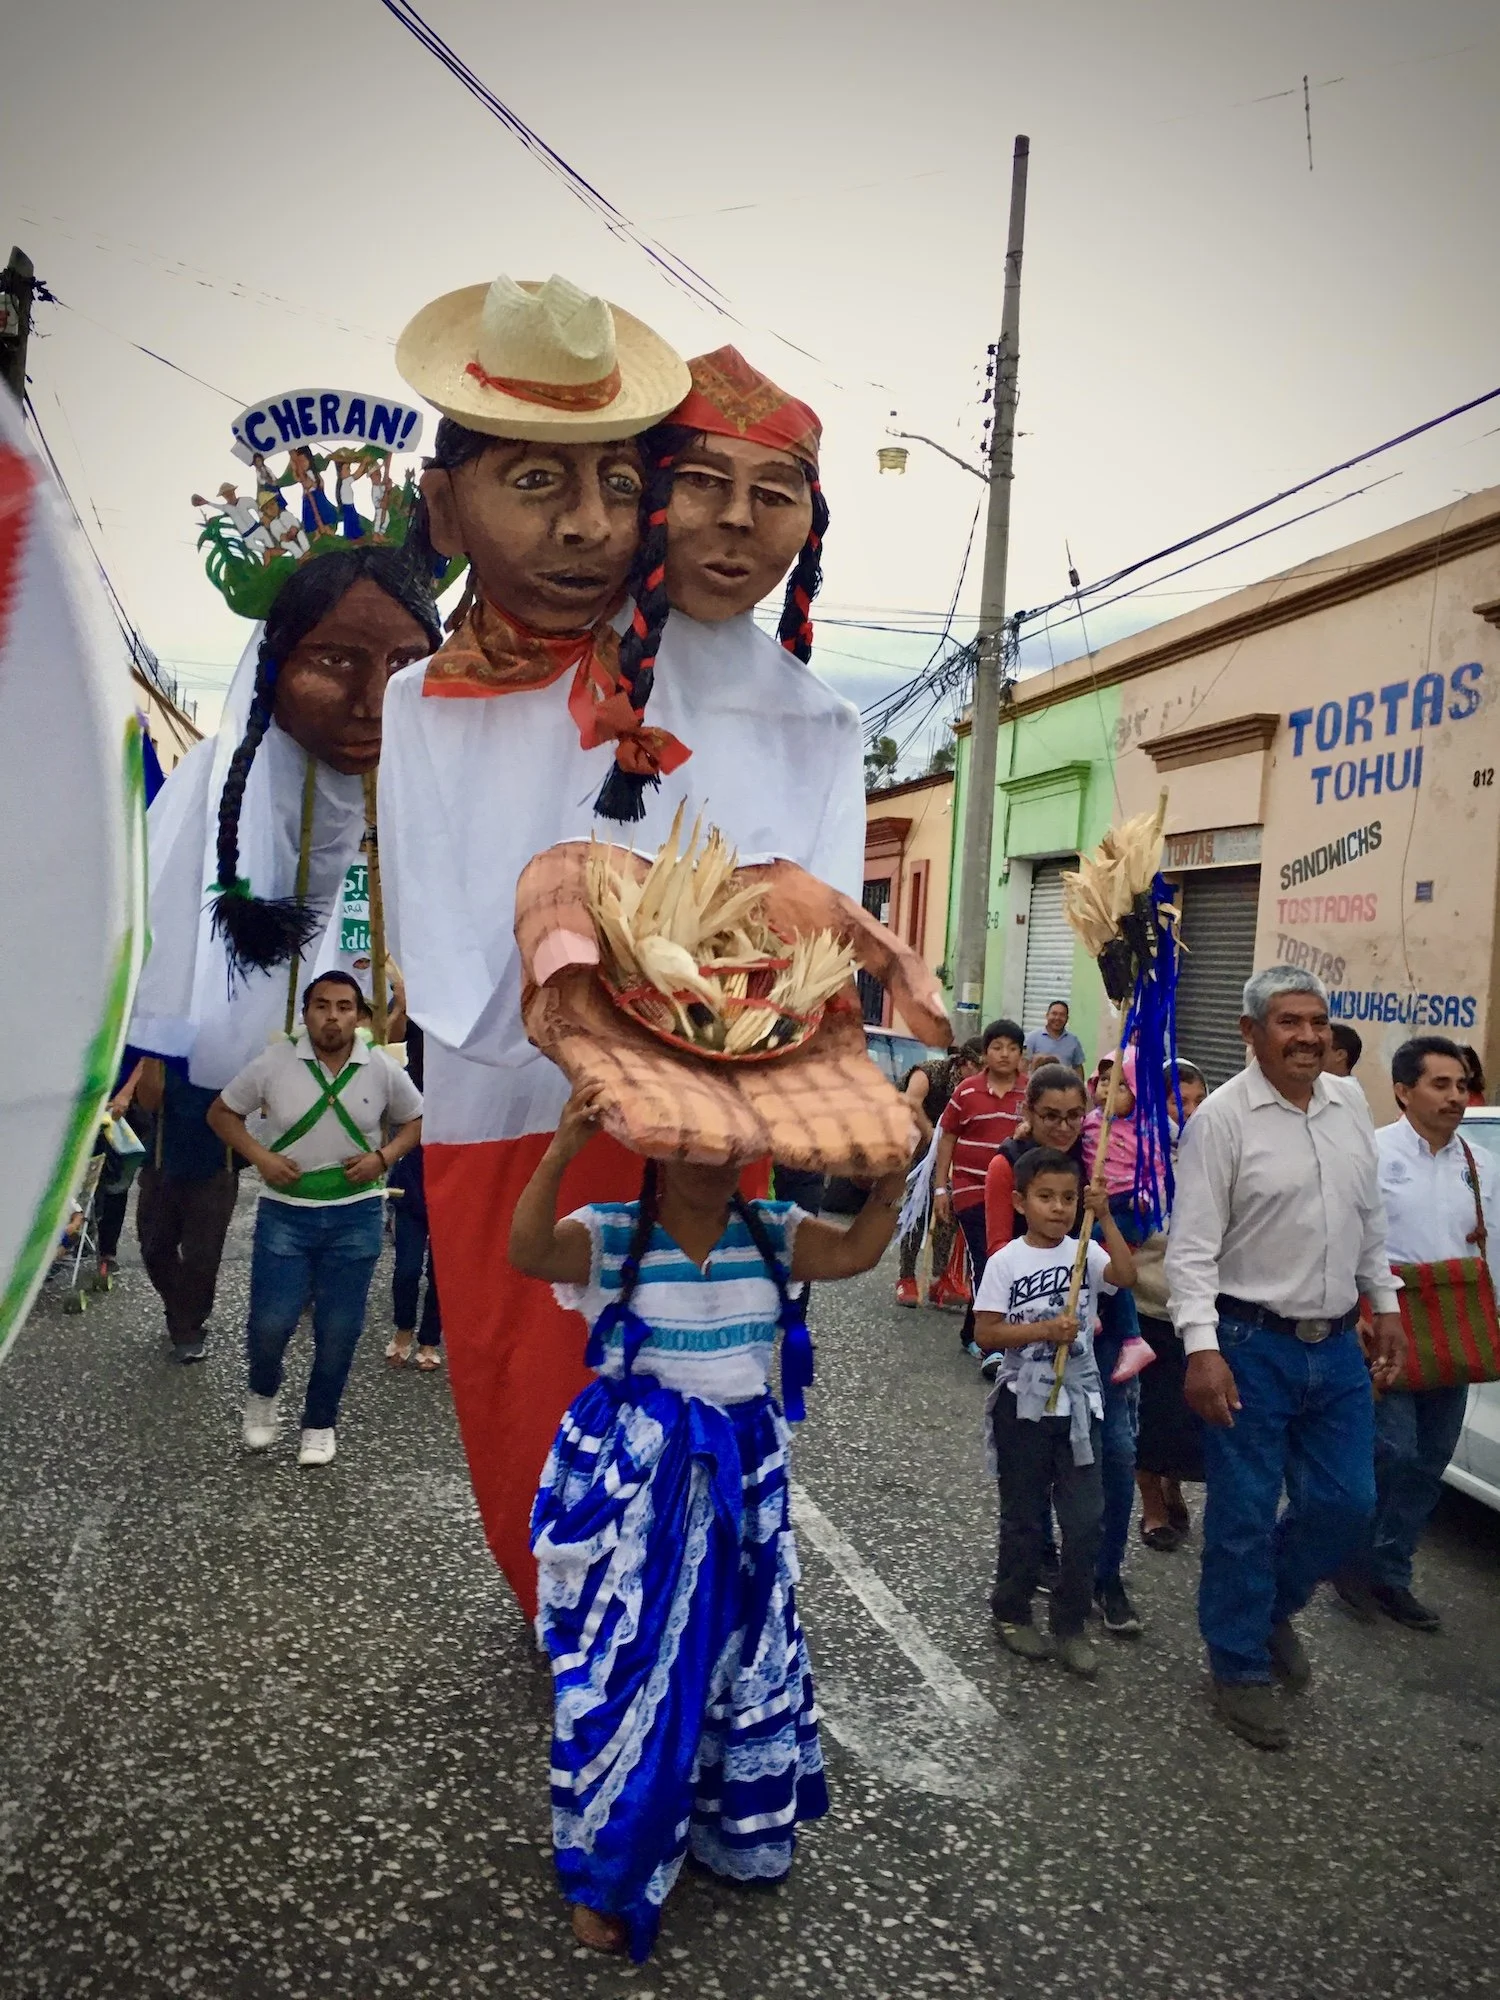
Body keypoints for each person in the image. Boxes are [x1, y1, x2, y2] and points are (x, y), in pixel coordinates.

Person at [379, 279, 867, 1616]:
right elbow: (444, 950)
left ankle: (672, 1625)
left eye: (610, 484)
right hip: (510, 1106)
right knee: (518, 1372)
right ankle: (564, 1615)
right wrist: (592, 991)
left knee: (691, 1383)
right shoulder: (431, 696)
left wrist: (727, 1025)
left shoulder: (806, 720)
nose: (584, 527)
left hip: (710, 1107)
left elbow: (813, 924)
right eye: (539, 482)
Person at [510, 1082, 910, 1960]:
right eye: (697, 1147)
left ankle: (727, 1832)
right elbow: (529, 1250)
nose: (717, 1164)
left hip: (747, 1481)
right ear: (659, 1147)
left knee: (734, 1659)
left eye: (733, 1148)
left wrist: (891, 1179)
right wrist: (562, 1147)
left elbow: (851, 1257)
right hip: (642, 1493)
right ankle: (610, 1868)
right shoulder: (613, 1232)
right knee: (635, 1676)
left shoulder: (771, 1230)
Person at [1165, 968, 1403, 1750]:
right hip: (1247, 1346)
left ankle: (1266, 1611)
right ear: (1250, 1032)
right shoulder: (1222, 1122)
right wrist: (1201, 1352)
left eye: (1318, 1021)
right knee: (1240, 1515)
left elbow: (1367, 1215)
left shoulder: (1350, 1103)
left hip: (1335, 1346)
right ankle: (1237, 1666)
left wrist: (1386, 1302)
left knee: (1347, 1504)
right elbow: (1192, 1253)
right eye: (1289, 1022)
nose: (1308, 1036)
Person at [130, 544, 441, 1090]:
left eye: (404, 665)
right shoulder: (214, 784)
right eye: (335, 661)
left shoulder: (435, 789)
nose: (372, 703)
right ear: (272, 668)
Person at [207, 970, 423, 1465]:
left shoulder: (380, 1067)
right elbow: (221, 1113)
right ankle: (262, 1394)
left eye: (344, 1007)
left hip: (357, 1215)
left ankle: (320, 1421)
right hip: (286, 1214)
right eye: (322, 1005)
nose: (332, 1016)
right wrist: (260, 1158)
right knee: (270, 1321)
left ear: (359, 1016)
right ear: (306, 1014)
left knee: (339, 1328)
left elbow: (417, 1119)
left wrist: (383, 1158)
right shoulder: (275, 1062)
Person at [1335, 1036, 1492, 1632]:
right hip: (1390, 1325)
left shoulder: (1479, 1167)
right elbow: (1348, 1243)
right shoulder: (1371, 1156)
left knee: (1430, 1460)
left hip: (1454, 1332)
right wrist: (1356, 1319)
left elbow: (1489, 1251)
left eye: (1460, 1085)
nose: (1455, 1097)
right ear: (1403, 1091)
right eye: (1440, 1084)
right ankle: (1350, 1561)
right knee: (1390, 1451)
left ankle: (1391, 1575)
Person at [975, 1149, 1137, 1679]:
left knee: (1086, 1519)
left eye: (1069, 1198)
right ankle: (1012, 1610)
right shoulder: (1006, 1263)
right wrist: (1043, 1331)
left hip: (1078, 1409)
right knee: (1023, 1517)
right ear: (1021, 1202)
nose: (1058, 1208)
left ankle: (1070, 1623)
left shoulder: (1085, 1252)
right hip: (1023, 1405)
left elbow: (1128, 1275)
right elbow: (986, 1333)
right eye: (1046, 1197)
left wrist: (1105, 1215)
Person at [1135, 1060, 1209, 1550]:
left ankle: (1173, 1481)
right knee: (1151, 1415)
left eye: (1200, 1102)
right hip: (1148, 1303)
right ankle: (1152, 1505)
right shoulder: (1136, 1155)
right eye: (1178, 1104)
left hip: (1204, 1310)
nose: (1190, 1114)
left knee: (1190, 1415)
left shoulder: (1217, 1157)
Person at [133, 1057, 241, 1361]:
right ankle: (181, 1307)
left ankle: (187, 1327)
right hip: (162, 1161)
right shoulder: (168, 1040)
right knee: (153, 1248)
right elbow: (150, 1101)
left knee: (202, 1255)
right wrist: (154, 1054)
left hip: (217, 1162)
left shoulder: (231, 1042)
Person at [934, 1018, 1027, 1356]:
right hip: (971, 1189)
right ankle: (990, 1341)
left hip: (1016, 1195)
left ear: (1021, 1054)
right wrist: (940, 1188)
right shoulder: (967, 1091)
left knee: (1008, 1261)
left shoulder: (1030, 1093)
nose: (1004, 1055)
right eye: (997, 1048)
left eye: (1012, 1048)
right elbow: (947, 1137)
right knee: (986, 1260)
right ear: (986, 1053)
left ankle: (974, 1330)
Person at [385, 1022, 443, 1370]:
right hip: (411, 1183)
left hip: (451, 1187)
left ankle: (430, 1339)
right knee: (406, 1268)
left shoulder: (466, 1084)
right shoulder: (407, 1080)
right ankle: (403, 1328)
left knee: (441, 1273)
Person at [894, 1046, 967, 1308]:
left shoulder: (977, 1084)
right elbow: (911, 1102)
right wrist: (931, 1136)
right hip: (915, 1137)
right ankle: (906, 1276)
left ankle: (942, 1277)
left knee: (948, 1204)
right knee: (917, 1206)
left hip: (946, 1145)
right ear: (964, 1063)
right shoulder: (930, 1072)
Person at [1024, 1000, 1086, 1075]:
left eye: (1062, 1015)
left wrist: (1079, 1086)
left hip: (1064, 1085)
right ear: (1047, 1015)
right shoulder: (1032, 1038)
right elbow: (1024, 1065)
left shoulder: (1073, 1041)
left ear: (1067, 1018)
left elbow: (1078, 1067)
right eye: (1054, 1014)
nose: (1057, 1018)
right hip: (1038, 1085)